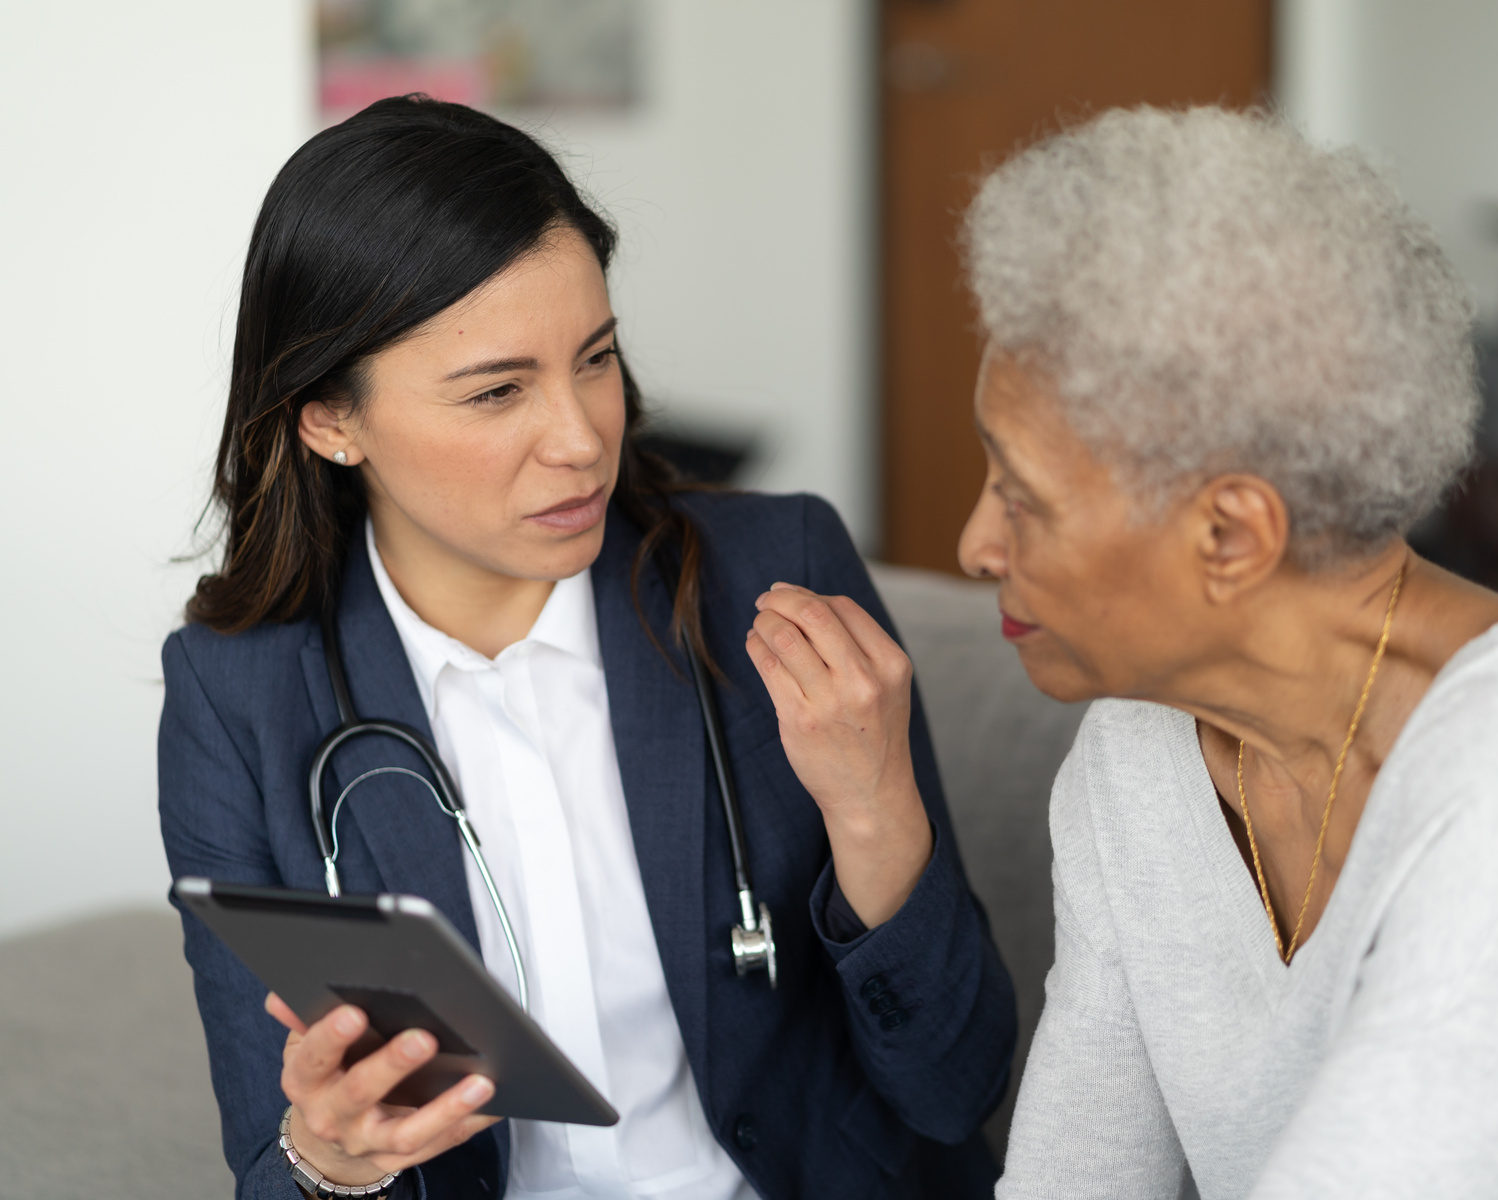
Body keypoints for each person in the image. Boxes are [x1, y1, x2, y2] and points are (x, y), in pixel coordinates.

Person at [159, 95, 1014, 1200]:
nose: (582, 438)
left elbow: (957, 1086)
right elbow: (268, 1170)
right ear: (330, 420)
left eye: (596, 359)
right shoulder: (239, 695)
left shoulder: (776, 576)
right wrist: (328, 1161)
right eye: (499, 391)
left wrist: (875, 813)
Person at [938, 108, 1498, 1197]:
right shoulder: (1134, 757)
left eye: (1022, 497)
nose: (973, 545)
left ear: (1231, 536)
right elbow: (1077, 1178)